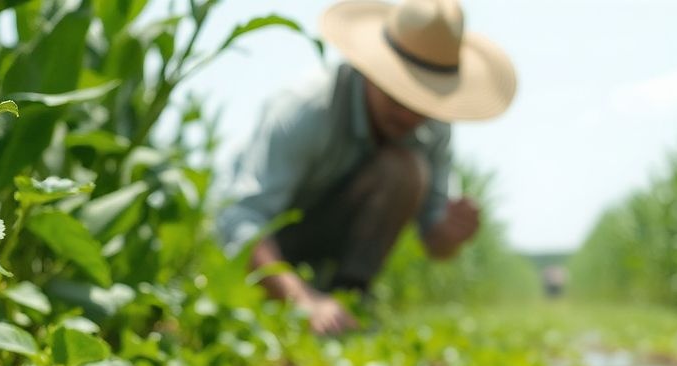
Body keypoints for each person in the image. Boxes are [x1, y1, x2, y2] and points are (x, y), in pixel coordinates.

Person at [217, 0, 517, 335]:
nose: (408, 115)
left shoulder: (433, 128)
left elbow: (436, 242)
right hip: (273, 243)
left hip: (329, 240)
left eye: (423, 103)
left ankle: (349, 300)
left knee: (405, 170)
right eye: (398, 96)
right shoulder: (309, 108)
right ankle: (314, 303)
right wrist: (302, 299)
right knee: (402, 170)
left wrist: (451, 233)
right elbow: (241, 219)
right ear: (372, 69)